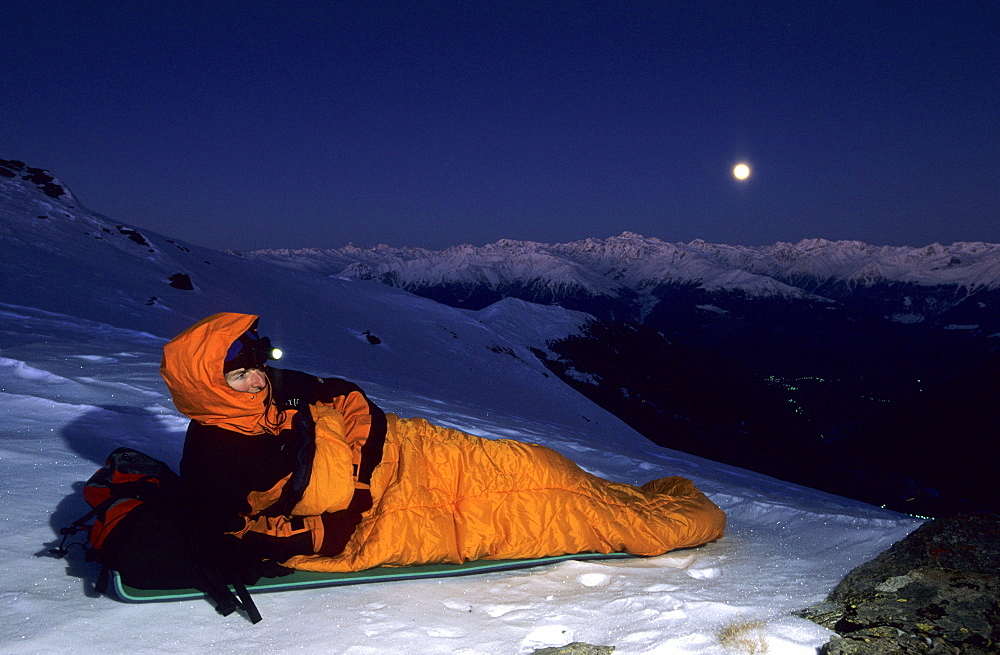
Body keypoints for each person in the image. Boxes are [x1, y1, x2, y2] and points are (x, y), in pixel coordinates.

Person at [160, 312, 725, 574]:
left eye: (255, 367)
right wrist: (351, 502)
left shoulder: (273, 396)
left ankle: (625, 498)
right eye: (238, 376)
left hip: (415, 451)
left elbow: (345, 398)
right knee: (546, 499)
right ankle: (656, 520)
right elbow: (246, 533)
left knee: (533, 463)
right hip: (397, 506)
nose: (256, 379)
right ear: (207, 386)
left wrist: (359, 450)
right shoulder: (217, 455)